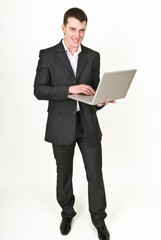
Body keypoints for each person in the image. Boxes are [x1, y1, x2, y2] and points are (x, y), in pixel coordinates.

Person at [34, 7, 115, 240]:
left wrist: (103, 100)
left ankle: (99, 220)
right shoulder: (48, 55)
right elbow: (39, 90)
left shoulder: (93, 56)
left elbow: (94, 95)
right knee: (64, 173)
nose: (77, 35)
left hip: (87, 123)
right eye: (72, 29)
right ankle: (67, 212)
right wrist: (70, 89)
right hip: (61, 124)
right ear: (63, 27)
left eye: (81, 30)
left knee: (95, 174)